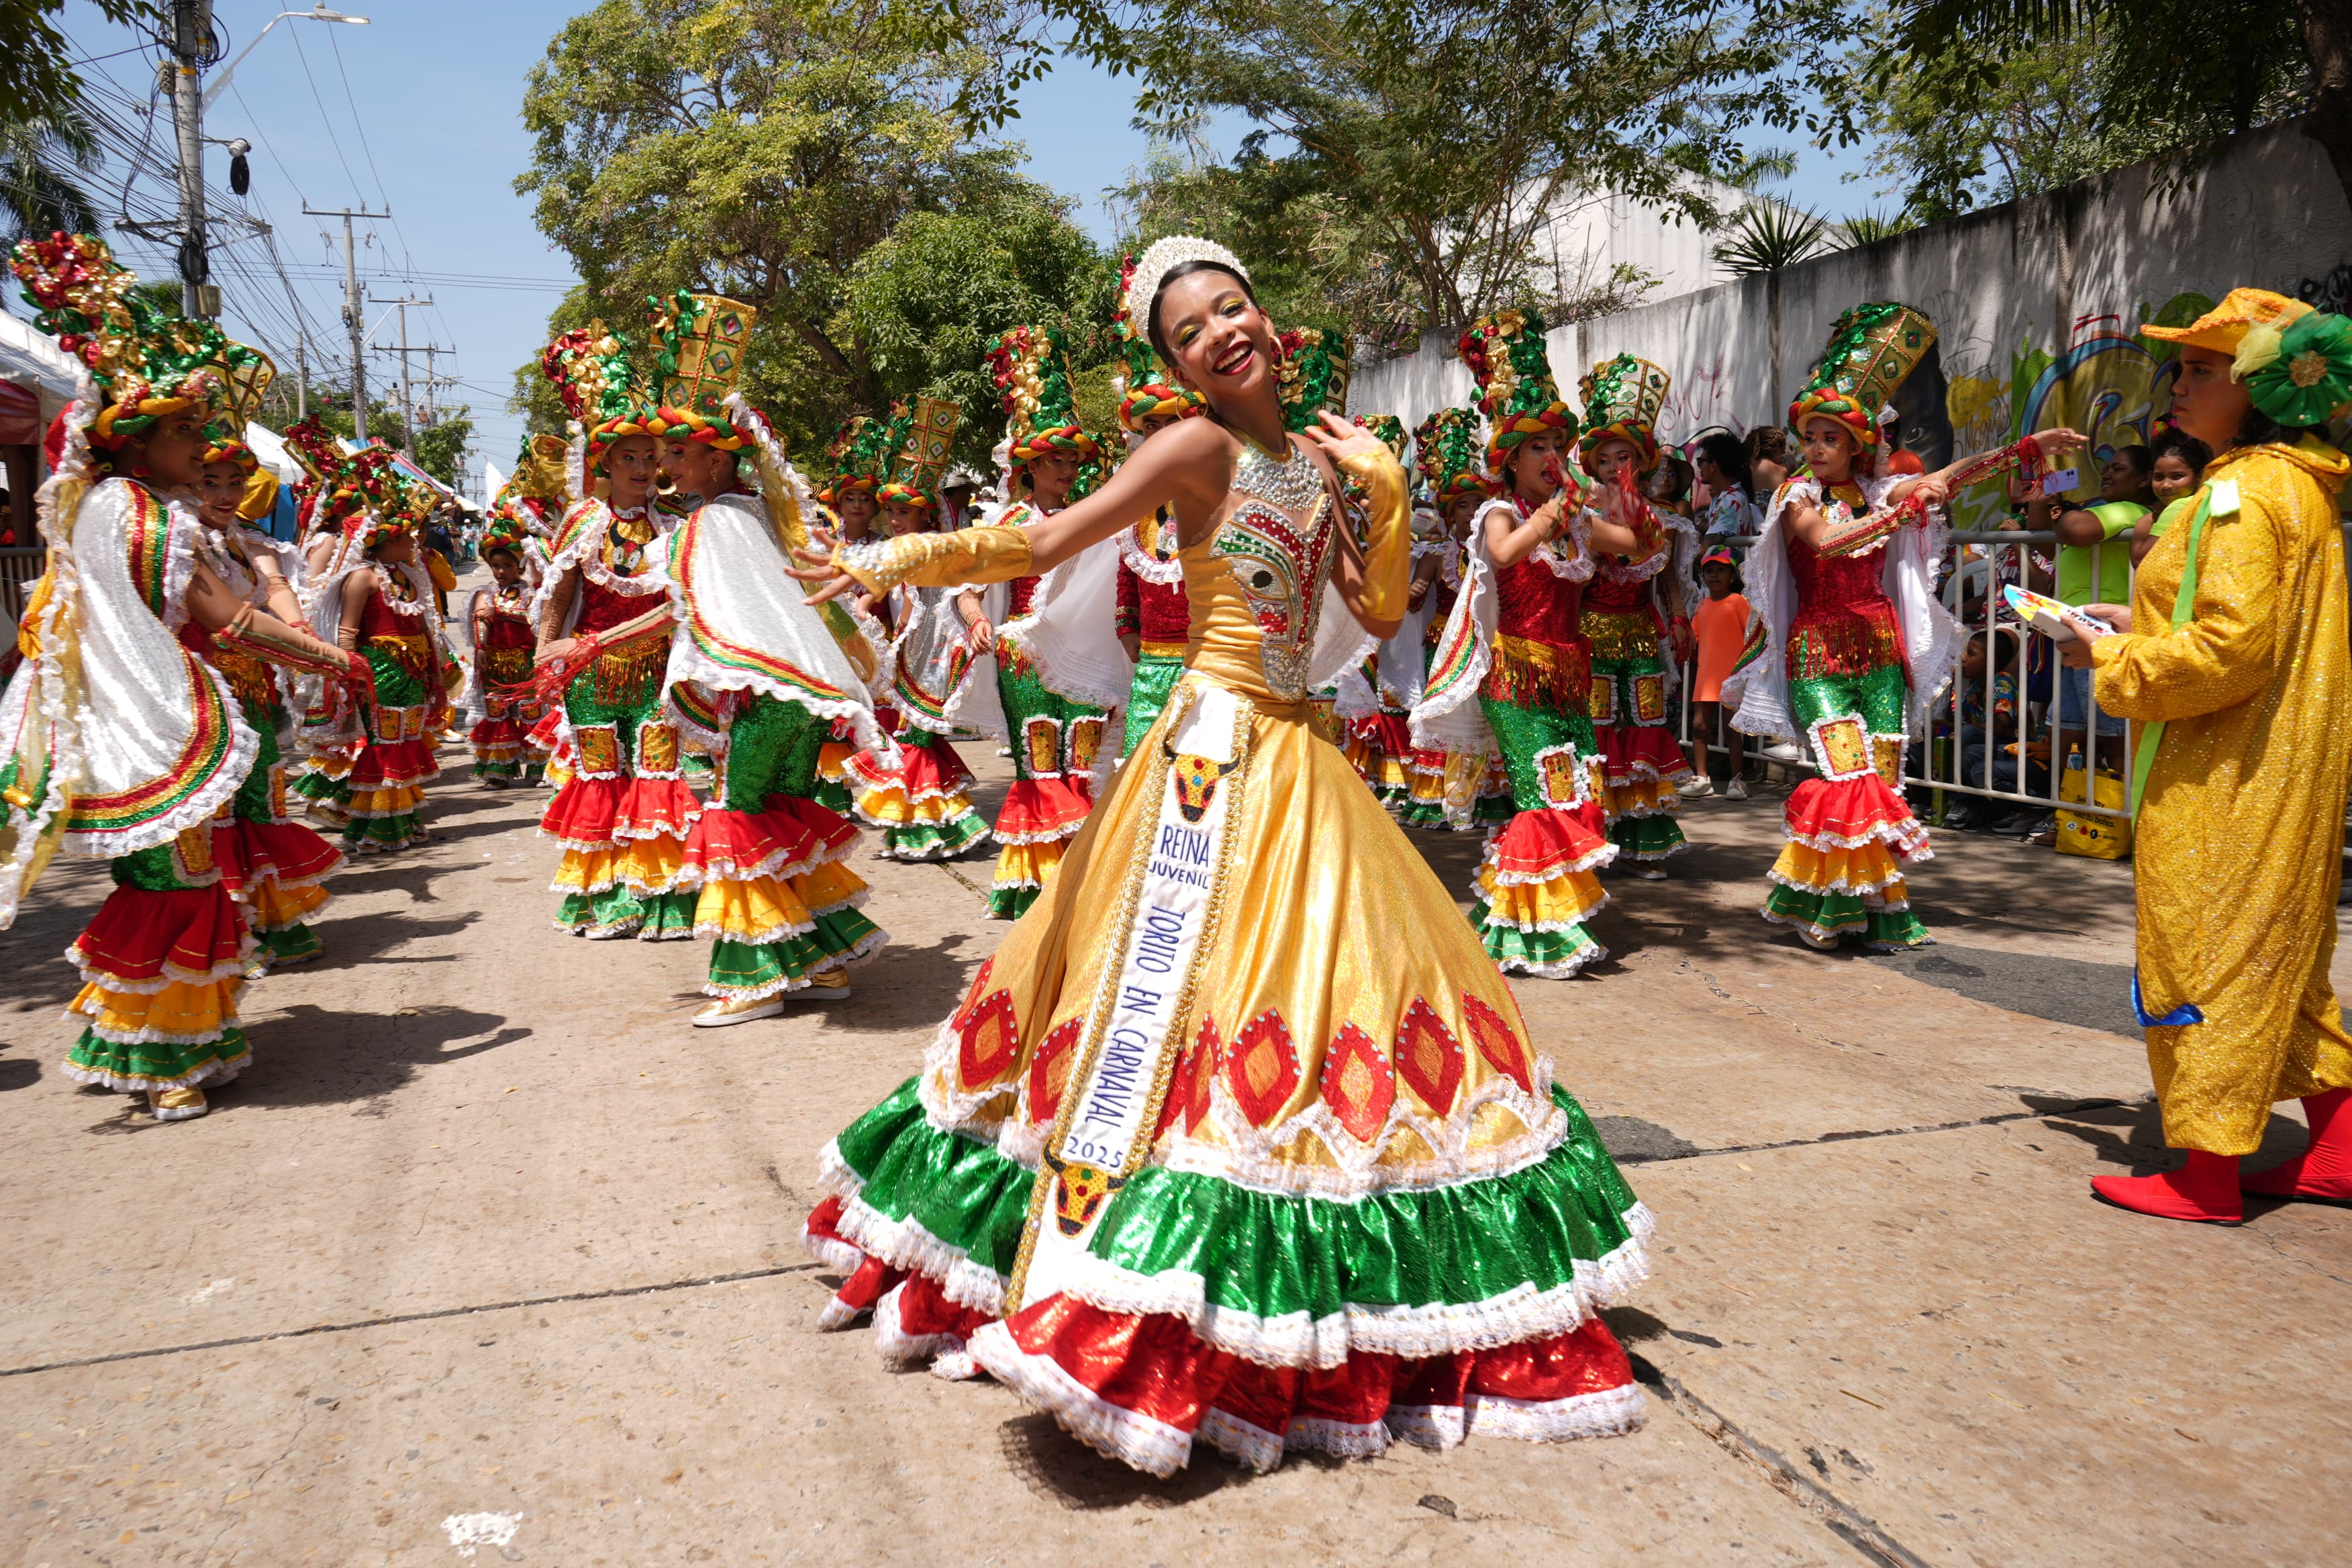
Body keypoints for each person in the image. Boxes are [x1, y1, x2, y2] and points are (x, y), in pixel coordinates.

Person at [791, 238, 1654, 1476]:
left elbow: (1370, 613)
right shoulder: (1193, 450)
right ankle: (1110, 1266)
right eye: (1190, 330)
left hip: (1299, 754)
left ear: (1267, 318)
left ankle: (1290, 1277)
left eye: (1230, 308)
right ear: (1174, 363)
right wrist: (884, 561)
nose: (1219, 334)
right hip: (1203, 758)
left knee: (1320, 1002)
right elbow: (1046, 544)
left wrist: (1391, 498)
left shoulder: (1314, 455)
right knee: (1157, 1009)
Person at [3, 235, 375, 1120]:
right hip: (159, 729)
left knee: (155, 882)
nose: (200, 445)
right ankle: (163, 1055)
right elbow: (232, 619)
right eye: (183, 432)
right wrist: (333, 659)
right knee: (182, 886)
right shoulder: (151, 522)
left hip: (108, 730)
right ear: (138, 440)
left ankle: (157, 1042)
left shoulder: (94, 509)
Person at [2064, 289, 2352, 1224]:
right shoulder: (2296, 485)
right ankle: (2340, 1151)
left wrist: (2111, 657)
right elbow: (2234, 623)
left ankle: (2208, 1174)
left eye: (2201, 370)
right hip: (2282, 767)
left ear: (2259, 385)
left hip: (2225, 774)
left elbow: (2230, 650)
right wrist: (2135, 620)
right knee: (2281, 961)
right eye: (2179, 368)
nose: (2176, 387)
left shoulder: (2232, 491)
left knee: (2209, 959)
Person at [1722, 301, 2084, 950]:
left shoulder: (1882, 489)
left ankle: (1867, 903)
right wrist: (1896, 517)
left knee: (1883, 781)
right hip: (1817, 655)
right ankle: (1829, 906)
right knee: (1847, 775)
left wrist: (2022, 449)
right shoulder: (1797, 497)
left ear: (1858, 445)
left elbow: (1942, 478)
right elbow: (1826, 542)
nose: (1818, 447)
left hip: (1880, 650)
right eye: (1812, 435)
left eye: (1831, 437)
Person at [622, 291, 890, 1024]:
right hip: (800, 700)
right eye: (663, 453)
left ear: (718, 454)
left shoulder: (712, 523)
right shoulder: (754, 518)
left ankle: (757, 983)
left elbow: (682, 613)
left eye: (678, 452)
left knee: (738, 818)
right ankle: (824, 964)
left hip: (768, 698)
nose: (666, 465)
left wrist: (587, 643)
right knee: (779, 814)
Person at [1412, 312, 1661, 977]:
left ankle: (1534, 917)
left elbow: (1635, 546)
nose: (1553, 457)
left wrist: (1628, 504)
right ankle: (1531, 931)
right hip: (1516, 678)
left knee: (1574, 785)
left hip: (1568, 678)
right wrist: (1561, 508)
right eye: (1538, 447)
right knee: (1539, 791)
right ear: (1510, 459)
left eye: (1559, 443)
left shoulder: (1575, 519)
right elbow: (1502, 552)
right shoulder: (1502, 512)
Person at [531, 322, 703, 939]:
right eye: (627, 458)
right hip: (591, 678)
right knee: (602, 780)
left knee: (658, 776)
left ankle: (661, 897)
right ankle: (608, 901)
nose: (640, 468)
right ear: (605, 462)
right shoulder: (583, 521)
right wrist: (546, 653)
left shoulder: (678, 521)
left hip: (658, 676)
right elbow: (562, 592)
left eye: (649, 459)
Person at [957, 326, 1122, 918]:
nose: (1068, 470)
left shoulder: (1089, 518)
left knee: (1086, 751)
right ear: (1029, 466)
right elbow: (969, 590)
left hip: (1082, 655)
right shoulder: (1011, 521)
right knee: (1041, 753)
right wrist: (978, 622)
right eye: (1057, 460)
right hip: (1022, 654)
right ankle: (1040, 886)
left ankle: (1083, 878)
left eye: (1074, 461)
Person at [189, 427, 347, 973]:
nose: (226, 493)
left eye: (236, 481)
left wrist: (303, 631)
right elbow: (232, 618)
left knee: (264, 798)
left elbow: (275, 586)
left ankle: (270, 920)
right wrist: (315, 652)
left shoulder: (248, 540)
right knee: (218, 809)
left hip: (255, 688)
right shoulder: (181, 538)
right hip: (201, 695)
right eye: (212, 481)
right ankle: (226, 931)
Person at [840, 400, 994, 863]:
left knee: (915, 740)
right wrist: (854, 616)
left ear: (927, 516)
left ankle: (931, 832)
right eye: (892, 511)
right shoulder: (902, 552)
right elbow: (879, 590)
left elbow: (963, 597)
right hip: (911, 656)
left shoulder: (939, 552)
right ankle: (936, 830)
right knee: (914, 739)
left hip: (938, 658)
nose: (895, 519)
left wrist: (977, 622)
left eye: (905, 511)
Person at [1576, 355, 1696, 875]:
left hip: (1641, 634)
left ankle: (1645, 837)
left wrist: (1677, 617)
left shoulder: (1665, 519)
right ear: (1592, 465)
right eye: (1605, 460)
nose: (1614, 468)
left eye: (1624, 458)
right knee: (1599, 727)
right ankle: (1595, 834)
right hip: (1591, 633)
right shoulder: (1580, 514)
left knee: (1645, 723)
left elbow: (1665, 573)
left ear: (1641, 463)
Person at [1108, 273, 1208, 756]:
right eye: (1153, 426)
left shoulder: (1218, 498)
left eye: (1174, 423)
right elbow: (1126, 576)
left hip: (1210, 664)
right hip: (1151, 661)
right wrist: (1126, 627)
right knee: (1143, 769)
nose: (1164, 435)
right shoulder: (1136, 510)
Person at [2030, 444, 2155, 781]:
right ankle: (2070, 818)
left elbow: (2072, 530)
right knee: (2066, 728)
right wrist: (2040, 501)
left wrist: (2075, 511)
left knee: (2108, 731)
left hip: (2102, 628)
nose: (2107, 473)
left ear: (2145, 479)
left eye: (2119, 468)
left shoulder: (2130, 510)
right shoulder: (2103, 513)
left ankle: (2118, 819)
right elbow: (2048, 542)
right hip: (2075, 625)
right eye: (2107, 467)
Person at [464, 514, 549, 788]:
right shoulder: (485, 593)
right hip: (496, 664)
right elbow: (481, 621)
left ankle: (537, 769)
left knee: (531, 713)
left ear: (519, 566)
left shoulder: (530, 594)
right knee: (497, 714)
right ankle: (499, 771)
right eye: (496, 566)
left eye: (507, 566)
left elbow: (537, 622)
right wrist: (480, 648)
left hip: (525, 663)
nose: (501, 572)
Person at [1687, 546, 1751, 799]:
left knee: (1732, 728)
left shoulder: (1738, 602)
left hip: (1733, 677)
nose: (1714, 576)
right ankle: (1702, 778)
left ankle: (1738, 780)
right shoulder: (1701, 606)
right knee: (1699, 726)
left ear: (1732, 576)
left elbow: (1751, 637)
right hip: (1706, 677)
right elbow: (1694, 639)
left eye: (1720, 571)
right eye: (1709, 571)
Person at [2132, 428, 2212, 565]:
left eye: (2177, 476)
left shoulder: (2179, 506)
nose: (2166, 485)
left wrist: (2144, 522)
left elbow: (2141, 560)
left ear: (2199, 476)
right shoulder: (2204, 502)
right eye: (2159, 477)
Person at [1696, 431, 1758, 539]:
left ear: (1713, 465)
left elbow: (1707, 548)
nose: (1699, 467)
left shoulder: (1730, 501)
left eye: (1701, 462)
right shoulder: (1723, 498)